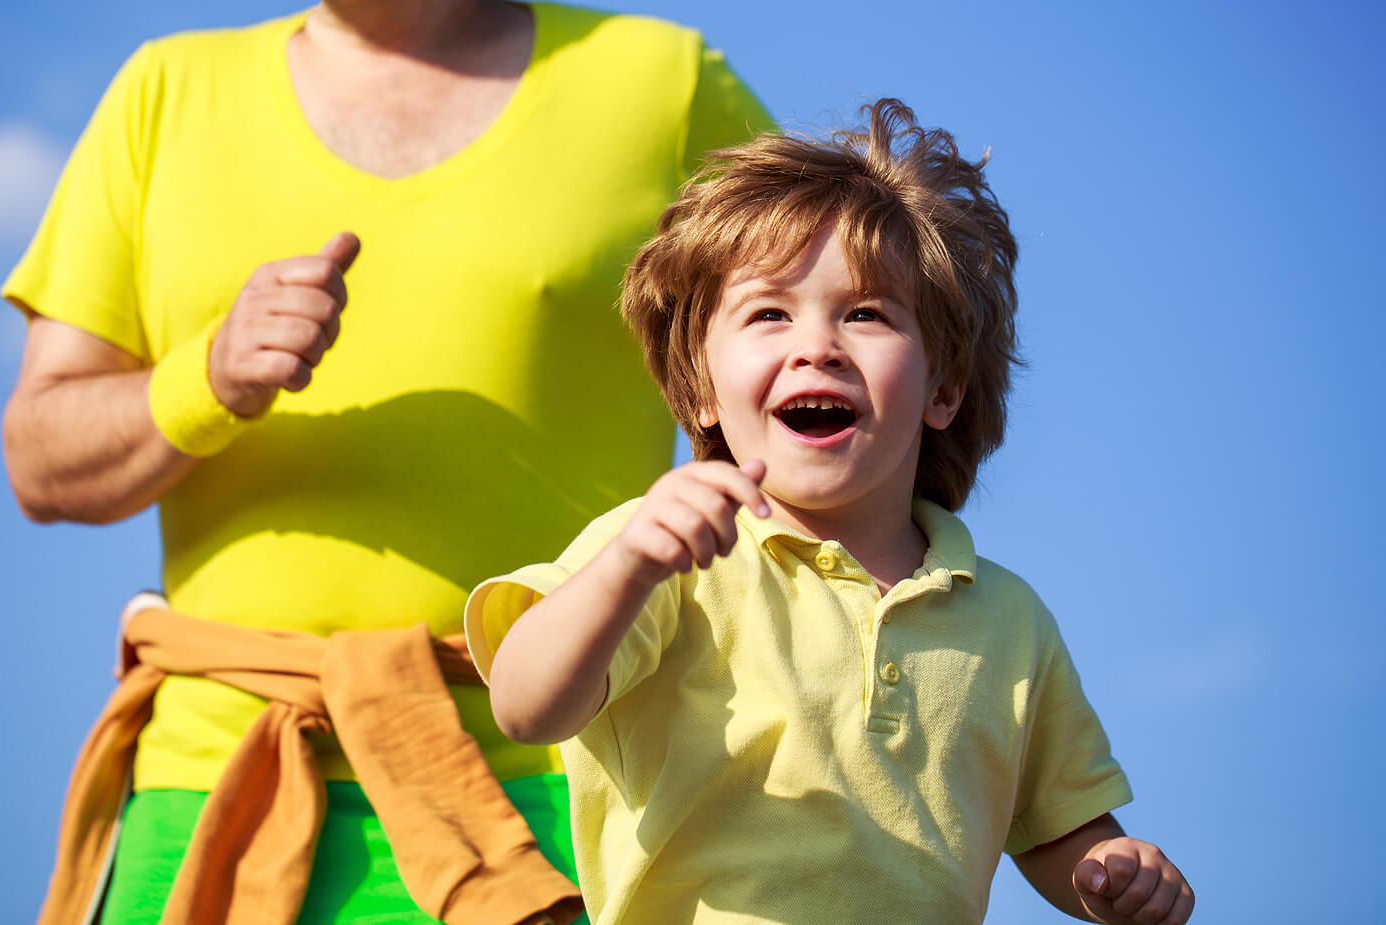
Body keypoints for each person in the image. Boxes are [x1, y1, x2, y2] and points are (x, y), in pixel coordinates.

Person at [0, 0, 768, 922]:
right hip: (208, 799)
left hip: (561, 796)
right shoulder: (163, 92)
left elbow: (825, 361)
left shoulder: (661, 82)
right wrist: (206, 376)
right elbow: (39, 457)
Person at [466, 99, 1195, 925]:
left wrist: (1112, 871)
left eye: (867, 314)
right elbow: (527, 704)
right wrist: (630, 565)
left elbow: (1061, 825)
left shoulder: (1012, 620)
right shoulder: (663, 553)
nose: (816, 346)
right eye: (769, 314)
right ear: (703, 388)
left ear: (944, 389)